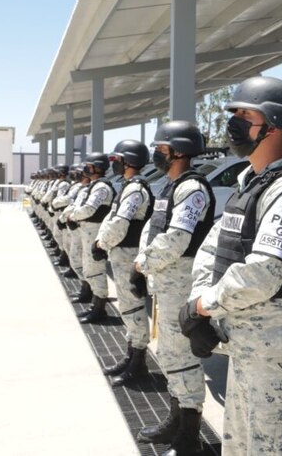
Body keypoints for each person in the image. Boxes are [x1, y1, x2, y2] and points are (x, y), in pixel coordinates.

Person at [186, 76, 282, 456]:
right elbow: (212, 249)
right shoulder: (249, 184)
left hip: (281, 361)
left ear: (274, 124)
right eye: (233, 114)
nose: (233, 123)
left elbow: (263, 274)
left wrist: (203, 307)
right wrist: (199, 301)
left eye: (244, 114)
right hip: (248, 353)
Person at [133, 121, 215, 456]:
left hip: (180, 286)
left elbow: (177, 239)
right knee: (168, 355)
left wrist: (141, 264)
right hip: (165, 286)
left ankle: (189, 435)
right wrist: (144, 263)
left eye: (161, 148)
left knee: (182, 358)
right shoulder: (172, 185)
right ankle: (175, 420)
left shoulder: (192, 189)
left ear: (178, 150)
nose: (156, 153)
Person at [94, 139, 153, 386]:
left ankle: (138, 363)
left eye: (117, 160)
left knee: (132, 309)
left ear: (128, 161)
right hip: (121, 255)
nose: (114, 165)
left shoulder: (136, 189)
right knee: (128, 310)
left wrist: (101, 243)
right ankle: (131, 357)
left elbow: (119, 223)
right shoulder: (128, 186)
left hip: (128, 256)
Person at [69, 152, 115, 323]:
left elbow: (89, 209)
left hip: (95, 231)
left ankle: (99, 308)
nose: (86, 169)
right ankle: (95, 305)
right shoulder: (94, 186)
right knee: (89, 270)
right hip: (87, 230)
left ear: (97, 167)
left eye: (89, 165)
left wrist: (71, 216)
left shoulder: (102, 187)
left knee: (96, 271)